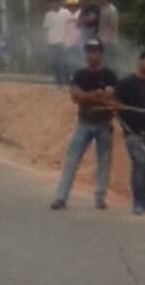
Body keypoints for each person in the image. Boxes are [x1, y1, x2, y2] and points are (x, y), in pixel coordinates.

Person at [50, 38, 119, 211]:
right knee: (72, 160)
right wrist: (97, 95)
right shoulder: (79, 74)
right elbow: (75, 97)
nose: (91, 55)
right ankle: (61, 197)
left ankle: (100, 198)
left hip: (104, 123)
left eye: (94, 51)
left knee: (104, 161)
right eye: (89, 51)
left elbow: (112, 98)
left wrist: (89, 96)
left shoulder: (111, 75)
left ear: (101, 53)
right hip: (84, 122)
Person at [115, 50, 145, 215]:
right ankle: (138, 201)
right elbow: (115, 102)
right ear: (140, 61)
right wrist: (123, 119)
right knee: (140, 163)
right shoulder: (127, 82)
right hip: (134, 132)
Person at [42, 0, 70, 86]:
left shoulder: (66, 12)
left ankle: (65, 80)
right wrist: (45, 41)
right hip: (52, 41)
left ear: (59, 2)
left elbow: (70, 26)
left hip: (63, 41)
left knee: (63, 62)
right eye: (51, 2)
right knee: (54, 62)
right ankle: (58, 80)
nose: (53, 4)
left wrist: (68, 39)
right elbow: (46, 29)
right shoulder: (48, 14)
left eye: (55, 2)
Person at [61, 0, 82, 68]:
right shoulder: (65, 14)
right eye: (69, 5)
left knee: (78, 60)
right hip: (67, 42)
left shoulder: (80, 14)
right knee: (67, 60)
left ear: (77, 6)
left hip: (78, 42)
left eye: (73, 5)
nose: (71, 7)